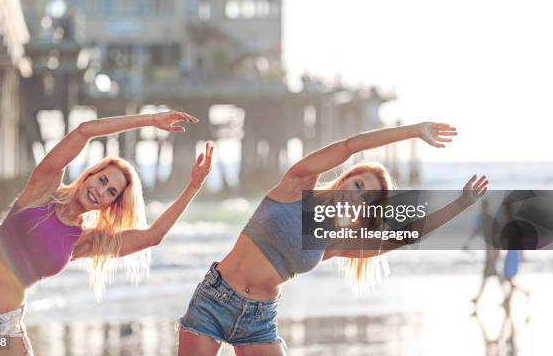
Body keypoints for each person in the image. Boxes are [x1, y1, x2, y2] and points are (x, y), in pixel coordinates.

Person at [178, 121, 488, 356]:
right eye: (357, 187)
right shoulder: (297, 186)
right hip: (214, 301)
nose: (358, 199)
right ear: (345, 178)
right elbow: (351, 145)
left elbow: (405, 237)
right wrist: (415, 131)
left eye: (367, 200)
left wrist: (461, 203)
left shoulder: (335, 240)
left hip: (259, 320)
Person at [0, 111, 213, 356]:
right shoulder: (42, 190)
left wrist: (193, 186)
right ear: (90, 174)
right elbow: (84, 131)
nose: (100, 191)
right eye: (102, 180)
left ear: (111, 204)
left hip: (3, 328)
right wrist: (150, 120)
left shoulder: (84, 242)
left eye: (111, 193)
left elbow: (152, 236)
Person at [464, 199, 502, 306]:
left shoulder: (489, 219)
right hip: (490, 250)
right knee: (492, 274)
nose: (482, 209)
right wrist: (468, 242)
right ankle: (478, 298)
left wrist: (493, 252)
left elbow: (495, 235)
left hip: (492, 250)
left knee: (488, 274)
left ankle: (478, 298)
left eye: (483, 206)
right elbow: (478, 231)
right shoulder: (486, 219)